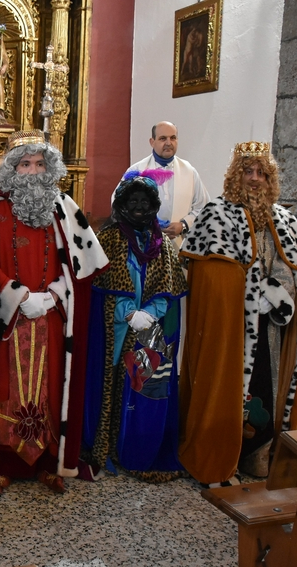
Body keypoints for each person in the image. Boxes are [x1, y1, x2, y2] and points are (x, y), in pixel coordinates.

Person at [0, 129, 109, 492]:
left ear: (50, 168)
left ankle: (49, 462)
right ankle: (5, 463)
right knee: (4, 385)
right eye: (25, 164)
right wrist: (17, 296)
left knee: (50, 389)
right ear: (12, 169)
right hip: (8, 319)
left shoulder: (64, 207)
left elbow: (82, 267)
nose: (32, 171)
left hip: (52, 316)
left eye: (39, 163)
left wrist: (53, 295)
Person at [179, 141, 297, 485]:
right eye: (247, 172)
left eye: (262, 174)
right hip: (232, 331)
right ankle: (224, 455)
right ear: (234, 178)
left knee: (268, 392)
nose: (254, 180)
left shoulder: (283, 218)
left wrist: (280, 293)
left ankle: (260, 455)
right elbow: (210, 279)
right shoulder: (215, 214)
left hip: (272, 331)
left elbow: (293, 272)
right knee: (230, 390)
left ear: (271, 181)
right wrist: (254, 294)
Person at [81, 170, 187, 483]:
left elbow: (169, 286)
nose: (139, 206)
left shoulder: (163, 245)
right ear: (122, 204)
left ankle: (137, 450)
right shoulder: (109, 238)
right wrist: (128, 313)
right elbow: (103, 283)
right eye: (133, 200)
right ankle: (107, 447)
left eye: (145, 201)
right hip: (115, 329)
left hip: (150, 333)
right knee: (111, 386)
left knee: (143, 388)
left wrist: (152, 312)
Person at [114, 121, 210, 244]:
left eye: (173, 138)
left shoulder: (189, 171)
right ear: (152, 142)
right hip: (144, 243)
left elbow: (203, 207)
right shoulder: (137, 170)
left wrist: (183, 225)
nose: (169, 143)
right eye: (163, 138)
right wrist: (147, 225)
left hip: (179, 244)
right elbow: (117, 204)